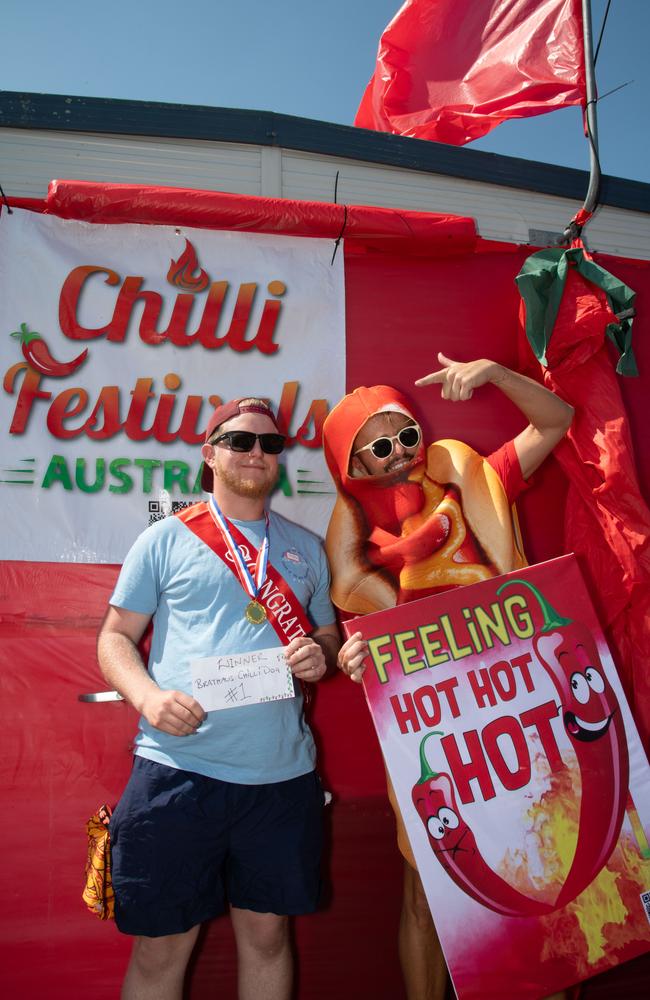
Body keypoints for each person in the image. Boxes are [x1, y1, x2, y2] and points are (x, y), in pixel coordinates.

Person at [325, 354, 574, 1000]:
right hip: (430, 732)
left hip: (518, 711)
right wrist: (356, 658)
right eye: (379, 445)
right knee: (428, 888)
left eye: (406, 434)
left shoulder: (477, 479)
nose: (401, 451)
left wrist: (495, 375)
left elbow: (557, 421)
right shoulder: (356, 548)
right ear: (351, 467)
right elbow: (360, 646)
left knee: (547, 862)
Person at [97, 396, 339, 1000]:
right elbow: (114, 639)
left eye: (270, 444)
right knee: (161, 949)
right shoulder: (165, 539)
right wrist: (148, 698)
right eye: (241, 441)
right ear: (211, 454)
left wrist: (322, 652)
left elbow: (328, 634)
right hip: (177, 773)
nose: (256, 452)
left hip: (281, 782)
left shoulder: (306, 547)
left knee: (267, 940)